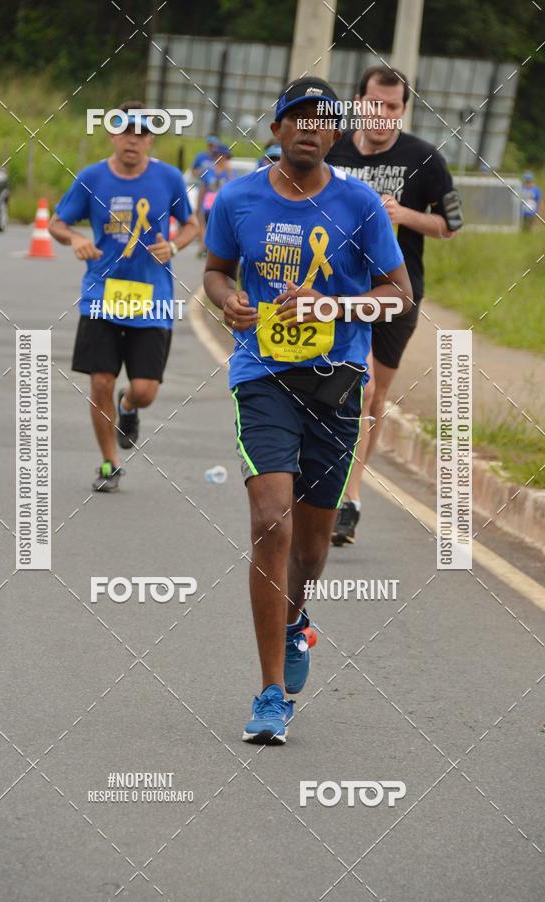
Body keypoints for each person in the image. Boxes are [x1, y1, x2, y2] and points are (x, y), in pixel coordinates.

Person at [203, 76, 412, 744]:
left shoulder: (358, 204)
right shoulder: (238, 198)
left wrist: (335, 305)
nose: (308, 127)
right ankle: (269, 694)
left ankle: (299, 620)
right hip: (262, 375)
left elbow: (399, 295)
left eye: (323, 118)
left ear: (335, 132)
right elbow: (214, 269)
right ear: (276, 129)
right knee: (271, 521)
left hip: (337, 382)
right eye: (296, 116)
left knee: (313, 546)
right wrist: (225, 301)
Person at [326, 65, 462, 545]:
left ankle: (350, 496)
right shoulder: (333, 149)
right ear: (356, 102)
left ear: (403, 109)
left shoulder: (423, 159)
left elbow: (451, 225)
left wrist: (404, 214)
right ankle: (319, 480)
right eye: (373, 104)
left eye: (392, 106)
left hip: (395, 293)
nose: (381, 115)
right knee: (333, 383)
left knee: (367, 394)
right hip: (334, 288)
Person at [49, 100, 199, 491]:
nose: (133, 139)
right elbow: (57, 222)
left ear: (151, 141)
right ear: (113, 135)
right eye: (126, 131)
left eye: (142, 133)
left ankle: (128, 406)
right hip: (101, 294)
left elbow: (191, 225)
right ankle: (108, 463)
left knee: (146, 390)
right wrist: (75, 237)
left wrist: (176, 247)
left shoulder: (168, 179)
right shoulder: (91, 178)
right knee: (101, 380)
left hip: (153, 300)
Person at [197, 144, 234, 225]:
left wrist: (229, 173)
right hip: (208, 208)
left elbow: (233, 191)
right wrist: (198, 208)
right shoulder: (209, 171)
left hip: (223, 208)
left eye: (223, 156)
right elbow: (202, 189)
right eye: (217, 155)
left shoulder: (230, 172)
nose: (220, 158)